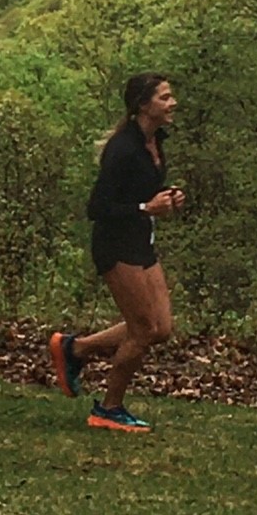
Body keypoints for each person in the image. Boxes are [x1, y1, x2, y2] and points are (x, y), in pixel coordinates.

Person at [50, 72, 185, 432]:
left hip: (142, 241)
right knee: (142, 330)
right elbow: (98, 208)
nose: (172, 103)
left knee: (161, 328)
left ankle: (75, 350)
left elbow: (141, 190)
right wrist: (145, 208)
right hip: (115, 244)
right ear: (144, 105)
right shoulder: (122, 148)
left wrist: (166, 199)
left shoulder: (155, 140)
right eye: (165, 97)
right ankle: (109, 409)